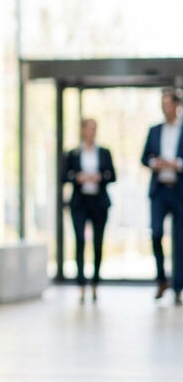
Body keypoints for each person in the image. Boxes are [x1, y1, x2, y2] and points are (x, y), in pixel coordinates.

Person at [62, 118, 115, 302]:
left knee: (98, 243)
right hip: (80, 203)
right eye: (89, 128)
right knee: (80, 241)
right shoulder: (73, 153)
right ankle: (81, 284)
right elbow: (64, 176)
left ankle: (95, 282)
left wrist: (99, 177)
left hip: (99, 203)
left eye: (94, 128)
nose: (92, 131)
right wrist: (78, 177)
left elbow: (112, 175)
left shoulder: (104, 152)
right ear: (83, 130)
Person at [142, 87, 183, 304]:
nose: (164, 107)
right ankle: (161, 280)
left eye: (168, 103)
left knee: (180, 239)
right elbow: (144, 157)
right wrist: (154, 163)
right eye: (162, 104)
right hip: (159, 191)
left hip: (179, 190)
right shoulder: (154, 130)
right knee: (156, 233)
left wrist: (177, 164)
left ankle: (178, 287)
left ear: (177, 105)